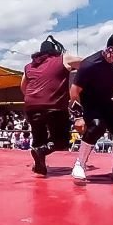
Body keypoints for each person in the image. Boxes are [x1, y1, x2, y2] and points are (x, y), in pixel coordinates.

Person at [69, 32, 113, 183]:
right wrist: (78, 117)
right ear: (110, 50)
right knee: (97, 126)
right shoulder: (90, 64)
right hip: (90, 103)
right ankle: (79, 164)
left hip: (108, 101)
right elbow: (74, 91)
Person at [20, 35, 81, 176]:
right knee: (61, 141)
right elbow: (86, 63)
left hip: (31, 106)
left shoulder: (29, 66)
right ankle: (42, 151)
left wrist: (34, 98)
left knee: (38, 138)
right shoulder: (63, 58)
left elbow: (23, 86)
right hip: (53, 105)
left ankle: (40, 166)